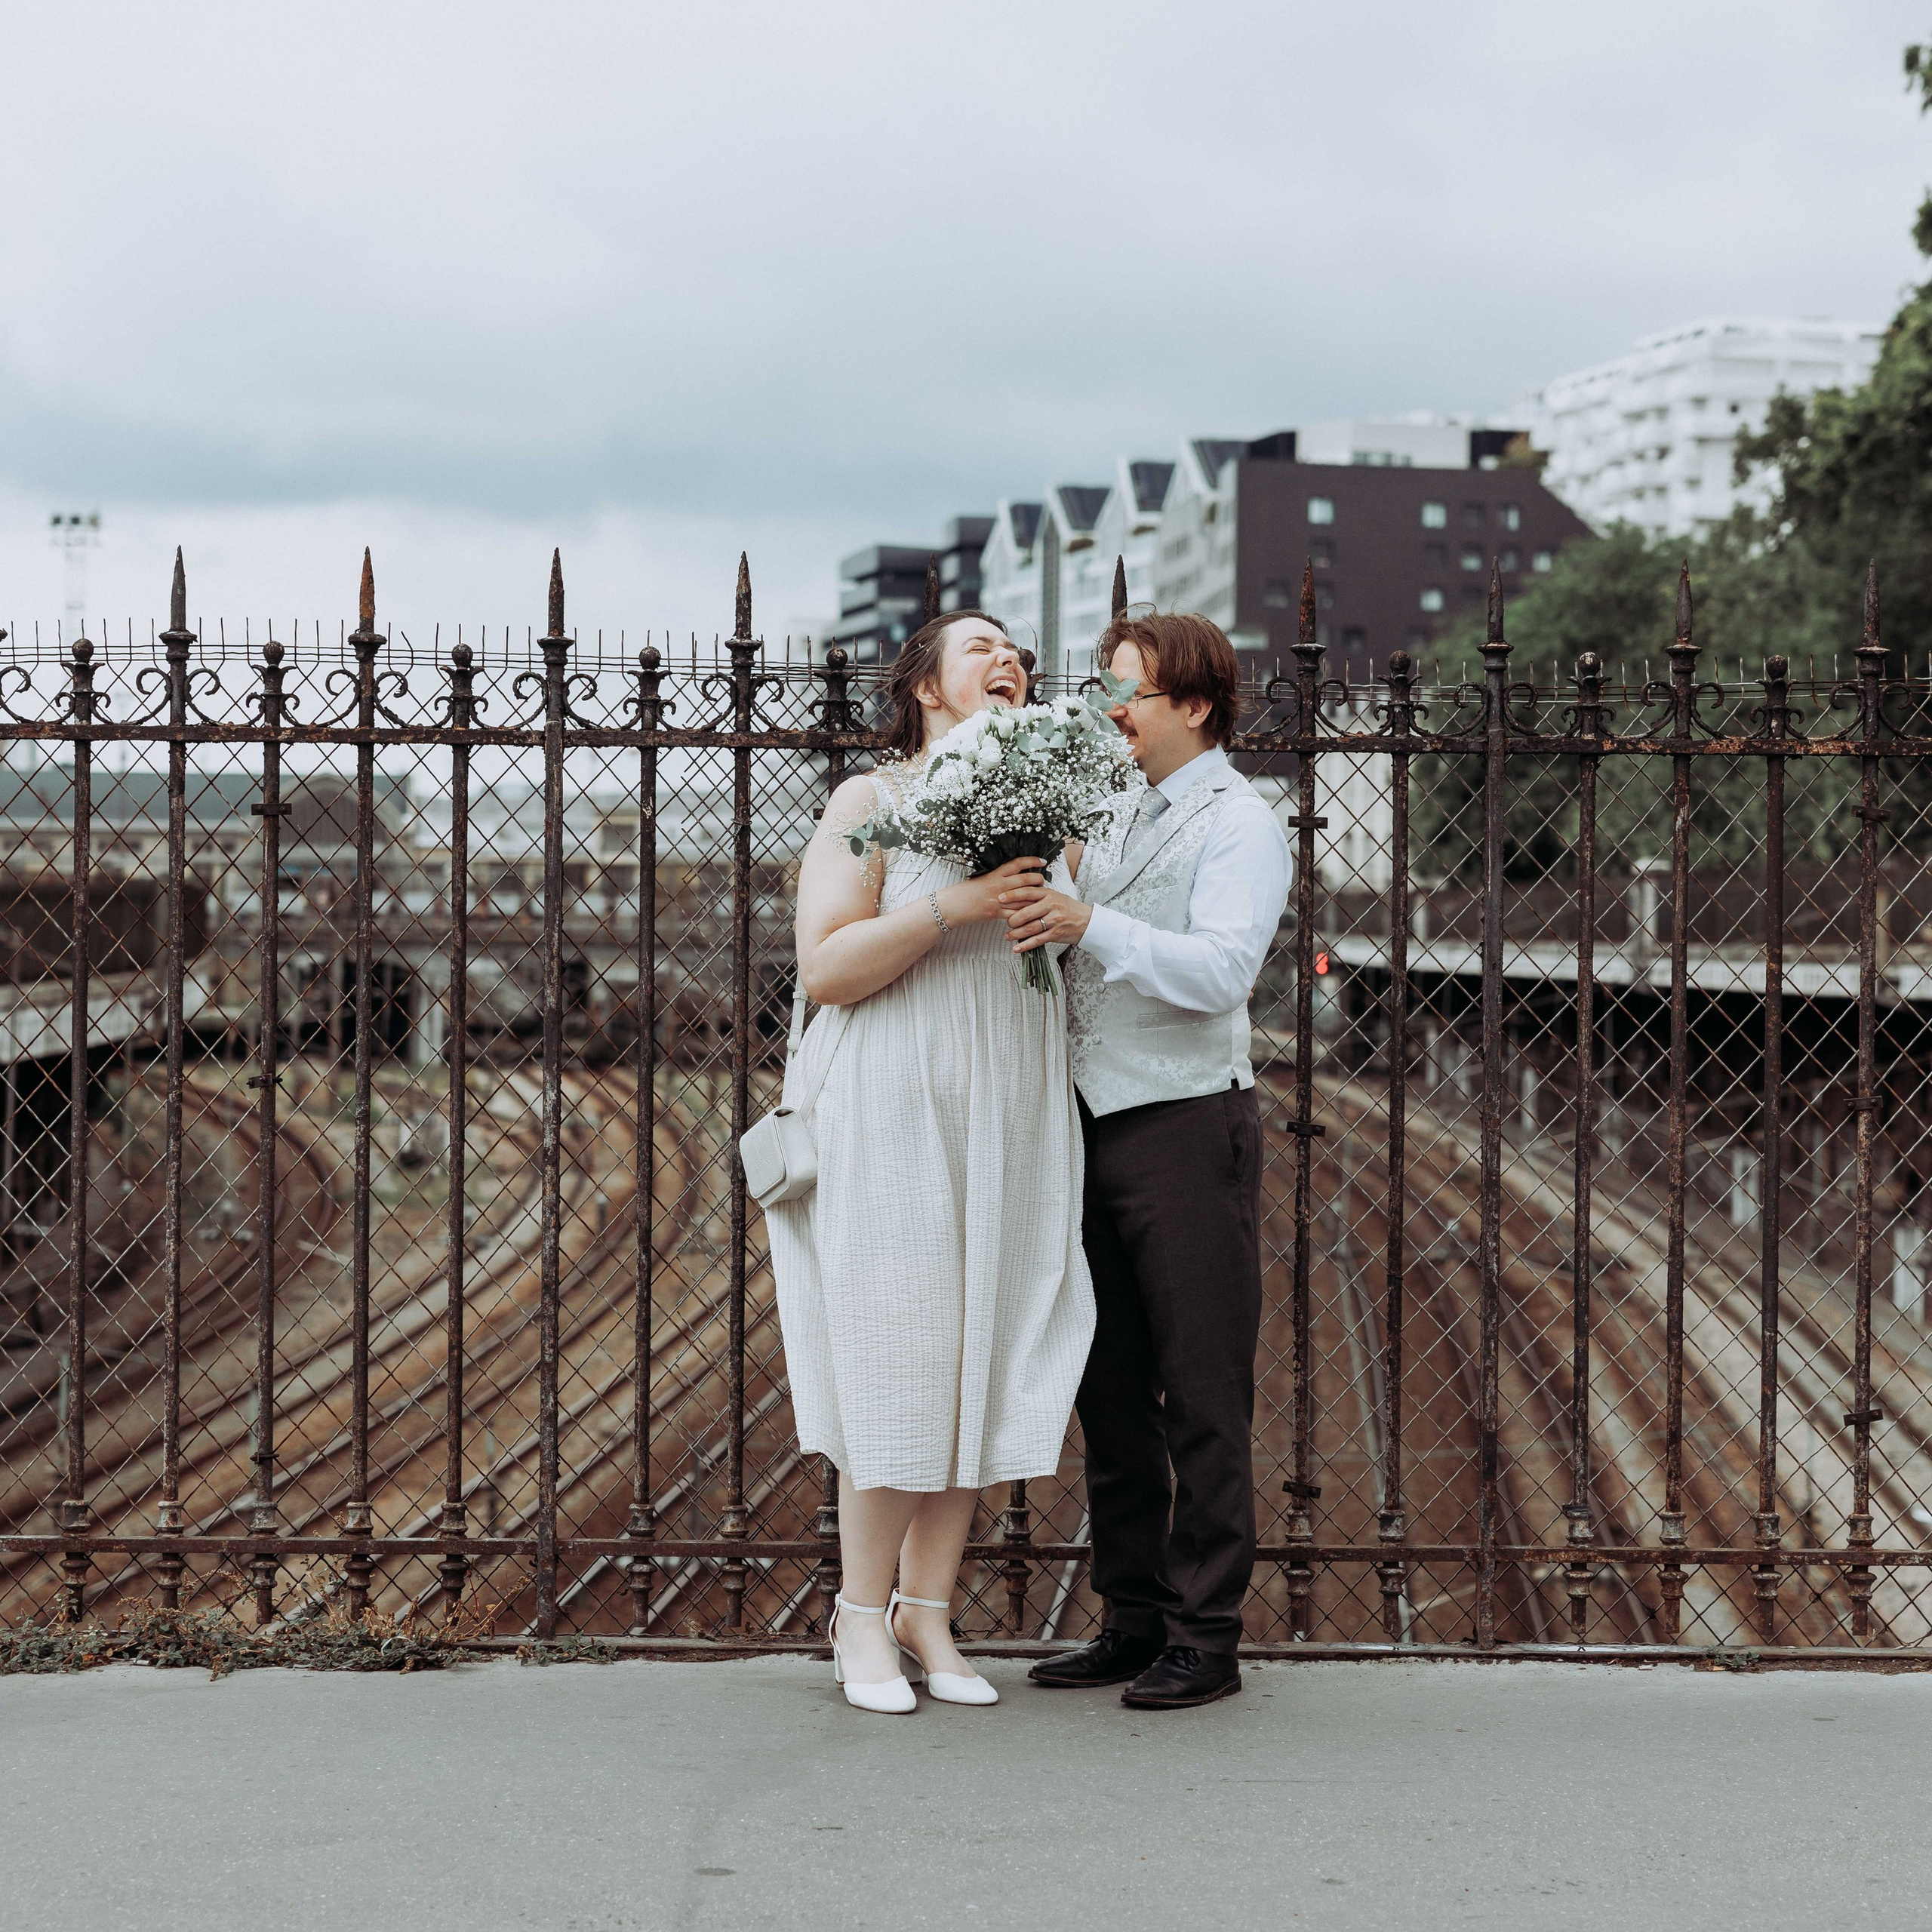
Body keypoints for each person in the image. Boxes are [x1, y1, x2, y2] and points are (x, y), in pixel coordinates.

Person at [766, 611, 1097, 1715]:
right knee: (904, 1355)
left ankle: (928, 1610)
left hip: (1008, 1100)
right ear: (924, 688)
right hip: (894, 1104)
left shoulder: (1053, 816)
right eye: (978, 649)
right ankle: (861, 1614)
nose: (1005, 661)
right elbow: (826, 968)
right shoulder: (873, 804)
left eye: (1015, 651)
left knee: (987, 1355)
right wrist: (952, 904)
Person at [998, 611, 1291, 1710]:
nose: (1107, 708)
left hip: (1183, 1125)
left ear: (1196, 706)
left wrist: (1087, 926)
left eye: (1127, 691)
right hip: (1086, 1123)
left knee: (1203, 1389)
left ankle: (1206, 1637)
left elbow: (1220, 975)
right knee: (1110, 1386)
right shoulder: (1115, 804)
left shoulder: (1242, 824)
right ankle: (1132, 1618)